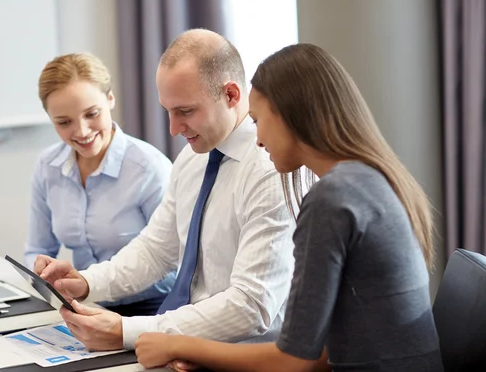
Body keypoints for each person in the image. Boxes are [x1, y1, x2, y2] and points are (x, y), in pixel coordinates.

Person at [134, 43, 444, 372]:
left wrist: (178, 343)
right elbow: (322, 351)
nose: (257, 138)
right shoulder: (366, 180)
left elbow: (293, 360)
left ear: (292, 116)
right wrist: (204, 353)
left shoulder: (331, 200)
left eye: (257, 120)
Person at [34, 29, 296, 352]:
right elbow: (156, 250)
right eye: (168, 111)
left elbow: (251, 306)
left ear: (231, 95)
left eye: (185, 112)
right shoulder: (192, 158)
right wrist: (88, 282)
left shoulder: (267, 170)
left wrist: (128, 331)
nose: (173, 129)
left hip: (242, 355)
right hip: (184, 348)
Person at [25, 52, 176, 317]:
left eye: (91, 114)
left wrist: (92, 285)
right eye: (64, 122)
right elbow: (37, 249)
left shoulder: (149, 168)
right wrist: (40, 269)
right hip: (85, 306)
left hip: (154, 311)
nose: (82, 131)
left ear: (110, 99)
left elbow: (177, 266)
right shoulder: (48, 166)